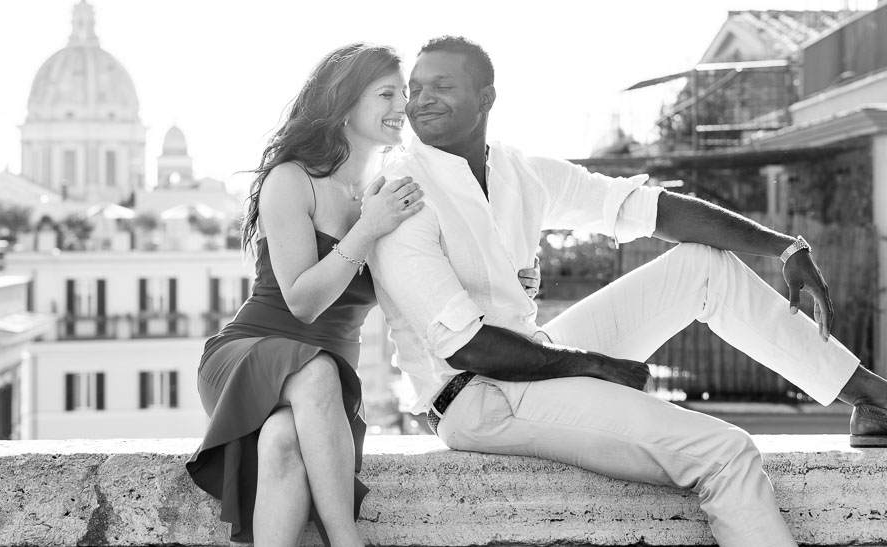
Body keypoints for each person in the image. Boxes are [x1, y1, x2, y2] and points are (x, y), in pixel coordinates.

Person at [366, 35, 887, 547]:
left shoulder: (515, 171)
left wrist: (784, 248)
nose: (422, 99)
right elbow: (467, 346)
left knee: (701, 265)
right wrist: (595, 365)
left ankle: (872, 398)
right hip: (477, 397)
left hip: (535, 359)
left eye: (442, 85)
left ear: (486, 98)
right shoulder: (402, 192)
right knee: (725, 451)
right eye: (415, 88)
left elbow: (648, 208)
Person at [185, 43, 424, 547]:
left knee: (281, 440)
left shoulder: (386, 193)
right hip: (249, 355)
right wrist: (366, 231)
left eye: (403, 92)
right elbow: (302, 301)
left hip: (326, 394)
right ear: (344, 105)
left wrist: (508, 282)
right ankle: (347, 542)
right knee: (316, 371)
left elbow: (419, 290)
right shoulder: (291, 181)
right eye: (386, 93)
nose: (402, 104)